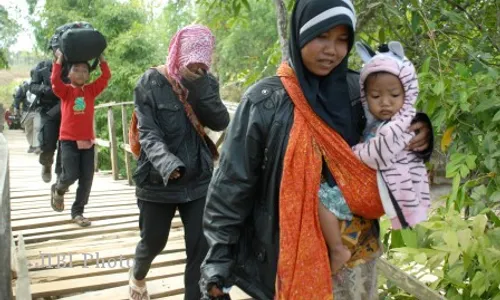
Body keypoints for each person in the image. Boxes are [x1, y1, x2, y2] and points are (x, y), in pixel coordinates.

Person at [200, 0, 434, 299]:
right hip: (285, 256)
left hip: (355, 256)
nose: (332, 50)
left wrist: (422, 132)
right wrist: (217, 264)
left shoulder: (360, 91)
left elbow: (396, 130)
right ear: (299, 33)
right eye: (322, 36)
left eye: (342, 40)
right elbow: (232, 185)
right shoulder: (265, 101)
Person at [128, 25, 229, 300]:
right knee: (153, 242)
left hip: (198, 180)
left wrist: (201, 88)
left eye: (202, 60)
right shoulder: (150, 81)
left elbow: (221, 121)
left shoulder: (206, 82)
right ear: (179, 53)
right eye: (191, 58)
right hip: (157, 182)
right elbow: (147, 132)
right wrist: (167, 163)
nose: (196, 65)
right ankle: (138, 273)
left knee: (200, 250)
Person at [318, 41, 432, 275]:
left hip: (372, 193)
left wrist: (349, 154)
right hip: (370, 192)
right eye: (376, 96)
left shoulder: (400, 124)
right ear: (365, 95)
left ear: (407, 93)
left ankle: (337, 249)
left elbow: (376, 154)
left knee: (322, 200)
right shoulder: (383, 121)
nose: (385, 102)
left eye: (394, 95)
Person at [50, 49, 111, 227]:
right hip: (68, 140)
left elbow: (106, 76)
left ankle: (78, 212)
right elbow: (54, 81)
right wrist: (59, 59)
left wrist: (101, 57)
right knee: (70, 174)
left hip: (87, 141)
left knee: (87, 178)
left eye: (85, 70)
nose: (81, 73)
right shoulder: (66, 91)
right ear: (68, 74)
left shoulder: (91, 91)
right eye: (76, 69)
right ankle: (59, 189)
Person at [29, 39, 69, 182]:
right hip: (48, 110)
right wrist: (45, 90)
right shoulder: (42, 67)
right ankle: (46, 164)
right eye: (56, 49)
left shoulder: (71, 67)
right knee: (48, 143)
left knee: (66, 144)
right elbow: (32, 86)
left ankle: (61, 175)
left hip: (66, 109)